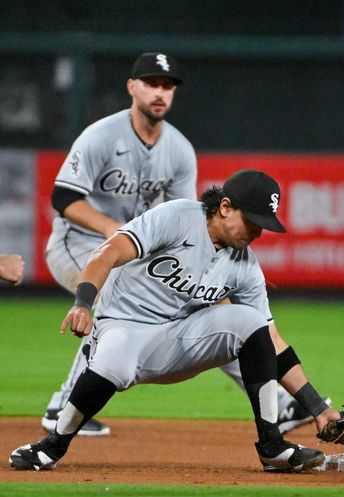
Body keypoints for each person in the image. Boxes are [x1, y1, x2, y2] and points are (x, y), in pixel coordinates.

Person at [42, 52, 314, 437]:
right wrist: (115, 231)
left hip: (137, 248)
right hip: (79, 242)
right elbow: (63, 198)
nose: (160, 92)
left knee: (201, 308)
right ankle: (62, 405)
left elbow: (191, 220)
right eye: (152, 83)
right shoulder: (101, 136)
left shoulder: (180, 150)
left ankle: (282, 404)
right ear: (131, 87)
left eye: (167, 86)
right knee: (109, 297)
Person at [9, 169, 340, 472]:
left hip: (178, 341)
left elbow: (273, 340)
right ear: (225, 207)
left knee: (252, 322)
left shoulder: (245, 266)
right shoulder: (177, 217)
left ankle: (271, 446)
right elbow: (107, 253)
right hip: (124, 326)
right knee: (114, 363)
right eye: (252, 220)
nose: (257, 231)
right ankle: (52, 446)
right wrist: (82, 302)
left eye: (263, 223)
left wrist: (317, 407)